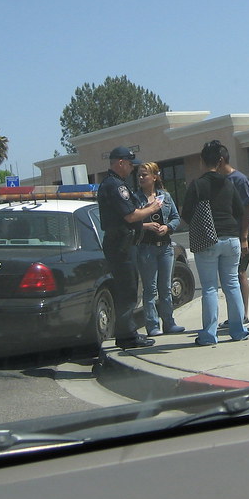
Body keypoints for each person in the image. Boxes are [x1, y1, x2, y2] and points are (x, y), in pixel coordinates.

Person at [181, 140, 249, 345]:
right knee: (232, 284)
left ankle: (210, 334)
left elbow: (186, 214)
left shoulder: (197, 185)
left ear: (202, 161)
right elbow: (240, 211)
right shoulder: (228, 183)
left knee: (210, 288)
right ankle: (238, 330)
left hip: (208, 240)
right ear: (220, 161)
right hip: (231, 238)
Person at [97, 146, 161, 350]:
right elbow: (130, 216)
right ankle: (127, 335)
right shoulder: (115, 186)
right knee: (127, 290)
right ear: (120, 162)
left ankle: (127, 333)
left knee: (130, 288)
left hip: (124, 243)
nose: (133, 168)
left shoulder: (116, 184)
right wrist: (152, 208)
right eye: (131, 164)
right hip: (120, 245)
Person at [133, 161, 185, 337]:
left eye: (144, 174)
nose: (141, 177)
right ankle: (152, 325)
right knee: (150, 289)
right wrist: (146, 225)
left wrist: (167, 227)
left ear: (154, 177)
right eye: (139, 175)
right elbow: (132, 220)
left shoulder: (165, 197)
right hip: (146, 248)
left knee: (166, 287)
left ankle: (169, 323)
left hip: (165, 247)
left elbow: (176, 218)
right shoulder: (135, 198)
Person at [217, 143, 249, 328]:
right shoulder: (218, 180)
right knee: (227, 278)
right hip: (223, 236)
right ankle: (234, 315)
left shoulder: (239, 180)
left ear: (221, 160)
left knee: (239, 274)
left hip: (240, 236)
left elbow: (246, 209)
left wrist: (244, 237)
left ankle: (243, 315)